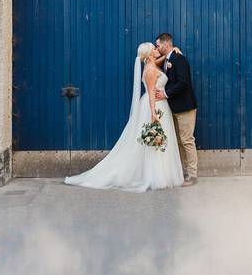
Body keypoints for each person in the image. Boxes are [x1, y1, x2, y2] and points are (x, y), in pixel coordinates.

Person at [64, 42, 184, 192]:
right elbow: (152, 93)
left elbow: (160, 61)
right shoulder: (151, 71)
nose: (156, 49)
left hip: (158, 105)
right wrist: (154, 113)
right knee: (155, 141)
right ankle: (157, 176)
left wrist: (172, 51)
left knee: (157, 141)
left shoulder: (151, 65)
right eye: (154, 48)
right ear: (148, 54)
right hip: (154, 106)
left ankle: (161, 173)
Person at [155, 33, 199, 186]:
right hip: (175, 108)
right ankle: (185, 172)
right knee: (180, 142)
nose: (157, 48)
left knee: (187, 140)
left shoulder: (178, 59)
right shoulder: (168, 60)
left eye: (158, 45)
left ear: (166, 45)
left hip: (185, 107)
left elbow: (183, 83)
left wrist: (165, 94)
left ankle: (192, 175)